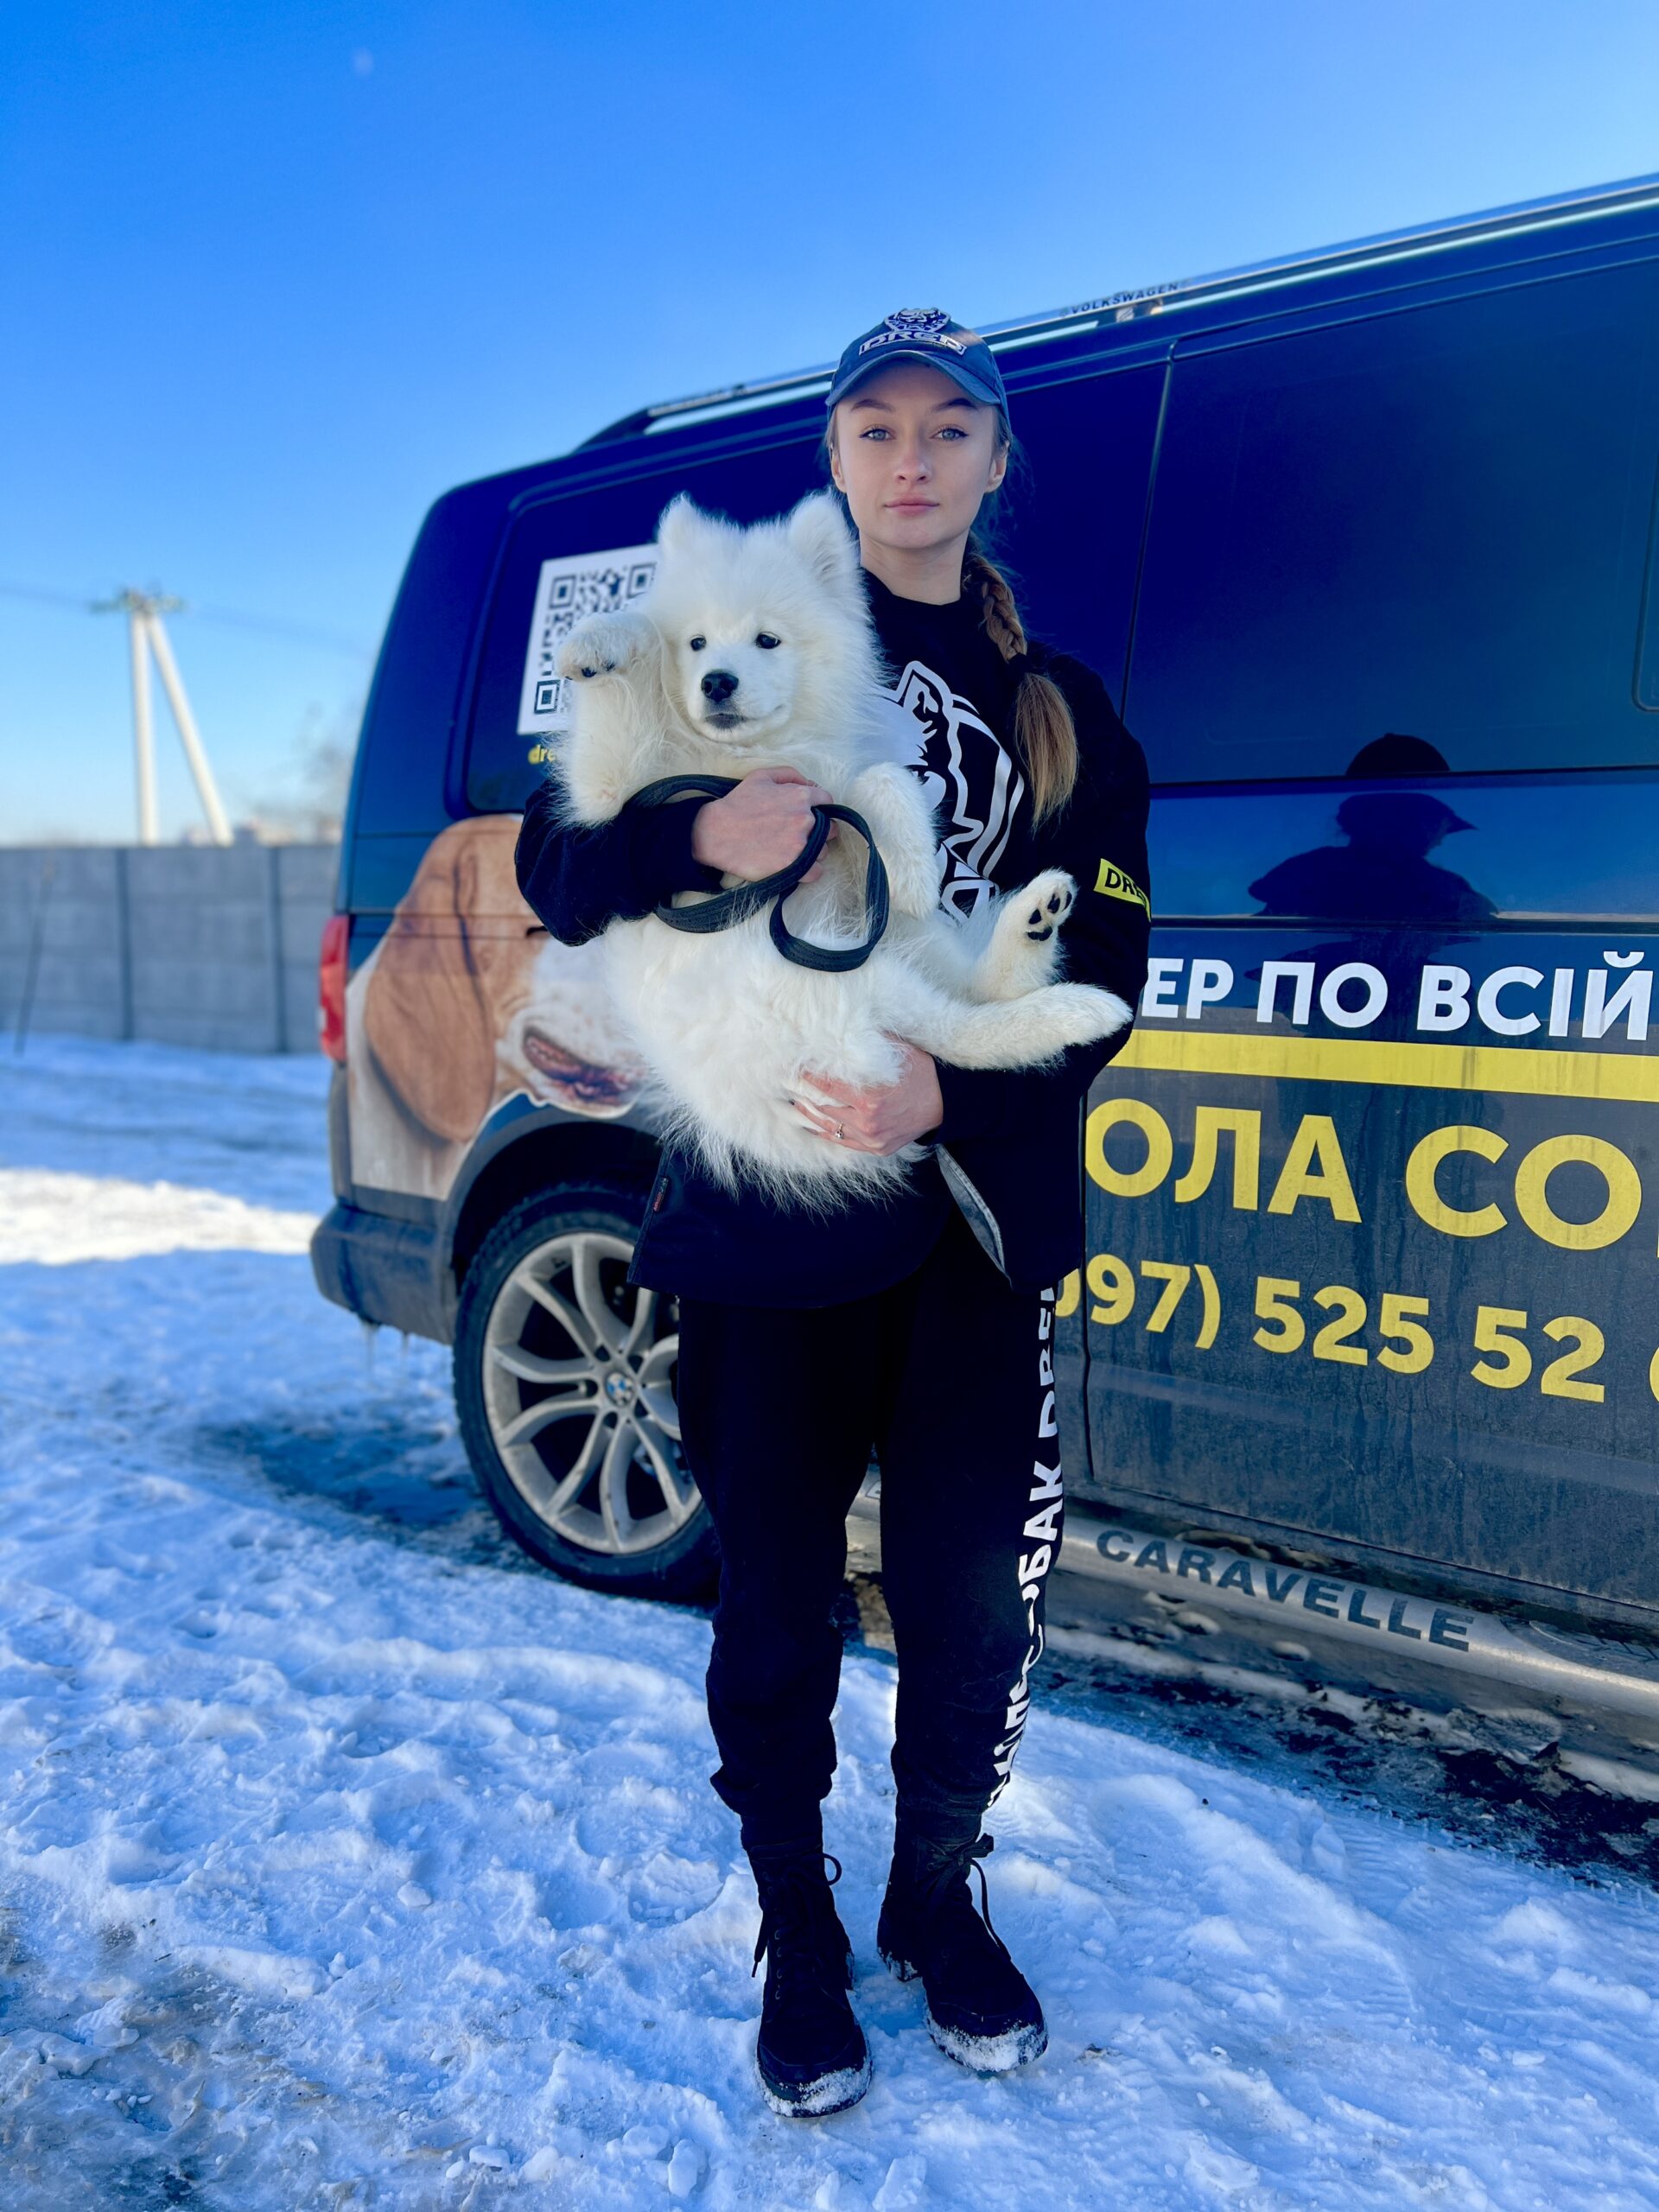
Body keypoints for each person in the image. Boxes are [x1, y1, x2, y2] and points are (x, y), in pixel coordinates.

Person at [515, 310, 1150, 2117]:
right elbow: (556, 859)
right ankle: (795, 1919)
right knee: (776, 1604)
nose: (914, 458)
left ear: (995, 459)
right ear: (838, 460)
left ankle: (935, 1896)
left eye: (950, 428)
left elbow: (1108, 968)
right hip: (764, 1221)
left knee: (972, 1609)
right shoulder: (727, 627)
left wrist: (952, 1094)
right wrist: (688, 842)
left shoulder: (1069, 709)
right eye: (879, 428)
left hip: (973, 1226)